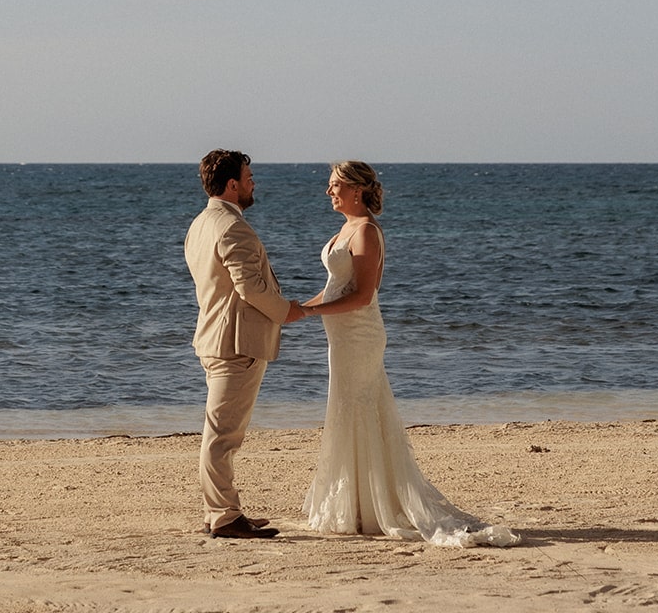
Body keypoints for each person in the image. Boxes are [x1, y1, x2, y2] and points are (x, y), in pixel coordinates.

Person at [301, 160, 519, 547]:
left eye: (335, 185)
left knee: (361, 409)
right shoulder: (346, 228)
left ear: (356, 189)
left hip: (360, 336)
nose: (328, 191)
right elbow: (336, 287)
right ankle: (356, 502)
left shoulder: (366, 230)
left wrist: (310, 311)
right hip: (341, 338)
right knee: (345, 408)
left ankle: (374, 505)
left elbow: (363, 296)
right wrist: (298, 308)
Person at [184, 149, 307, 539]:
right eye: (249, 176)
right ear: (233, 184)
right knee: (223, 435)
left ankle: (219, 510)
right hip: (234, 344)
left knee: (221, 432)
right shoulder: (231, 227)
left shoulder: (200, 224)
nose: (254, 182)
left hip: (214, 337)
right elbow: (249, 287)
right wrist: (287, 310)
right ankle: (223, 515)